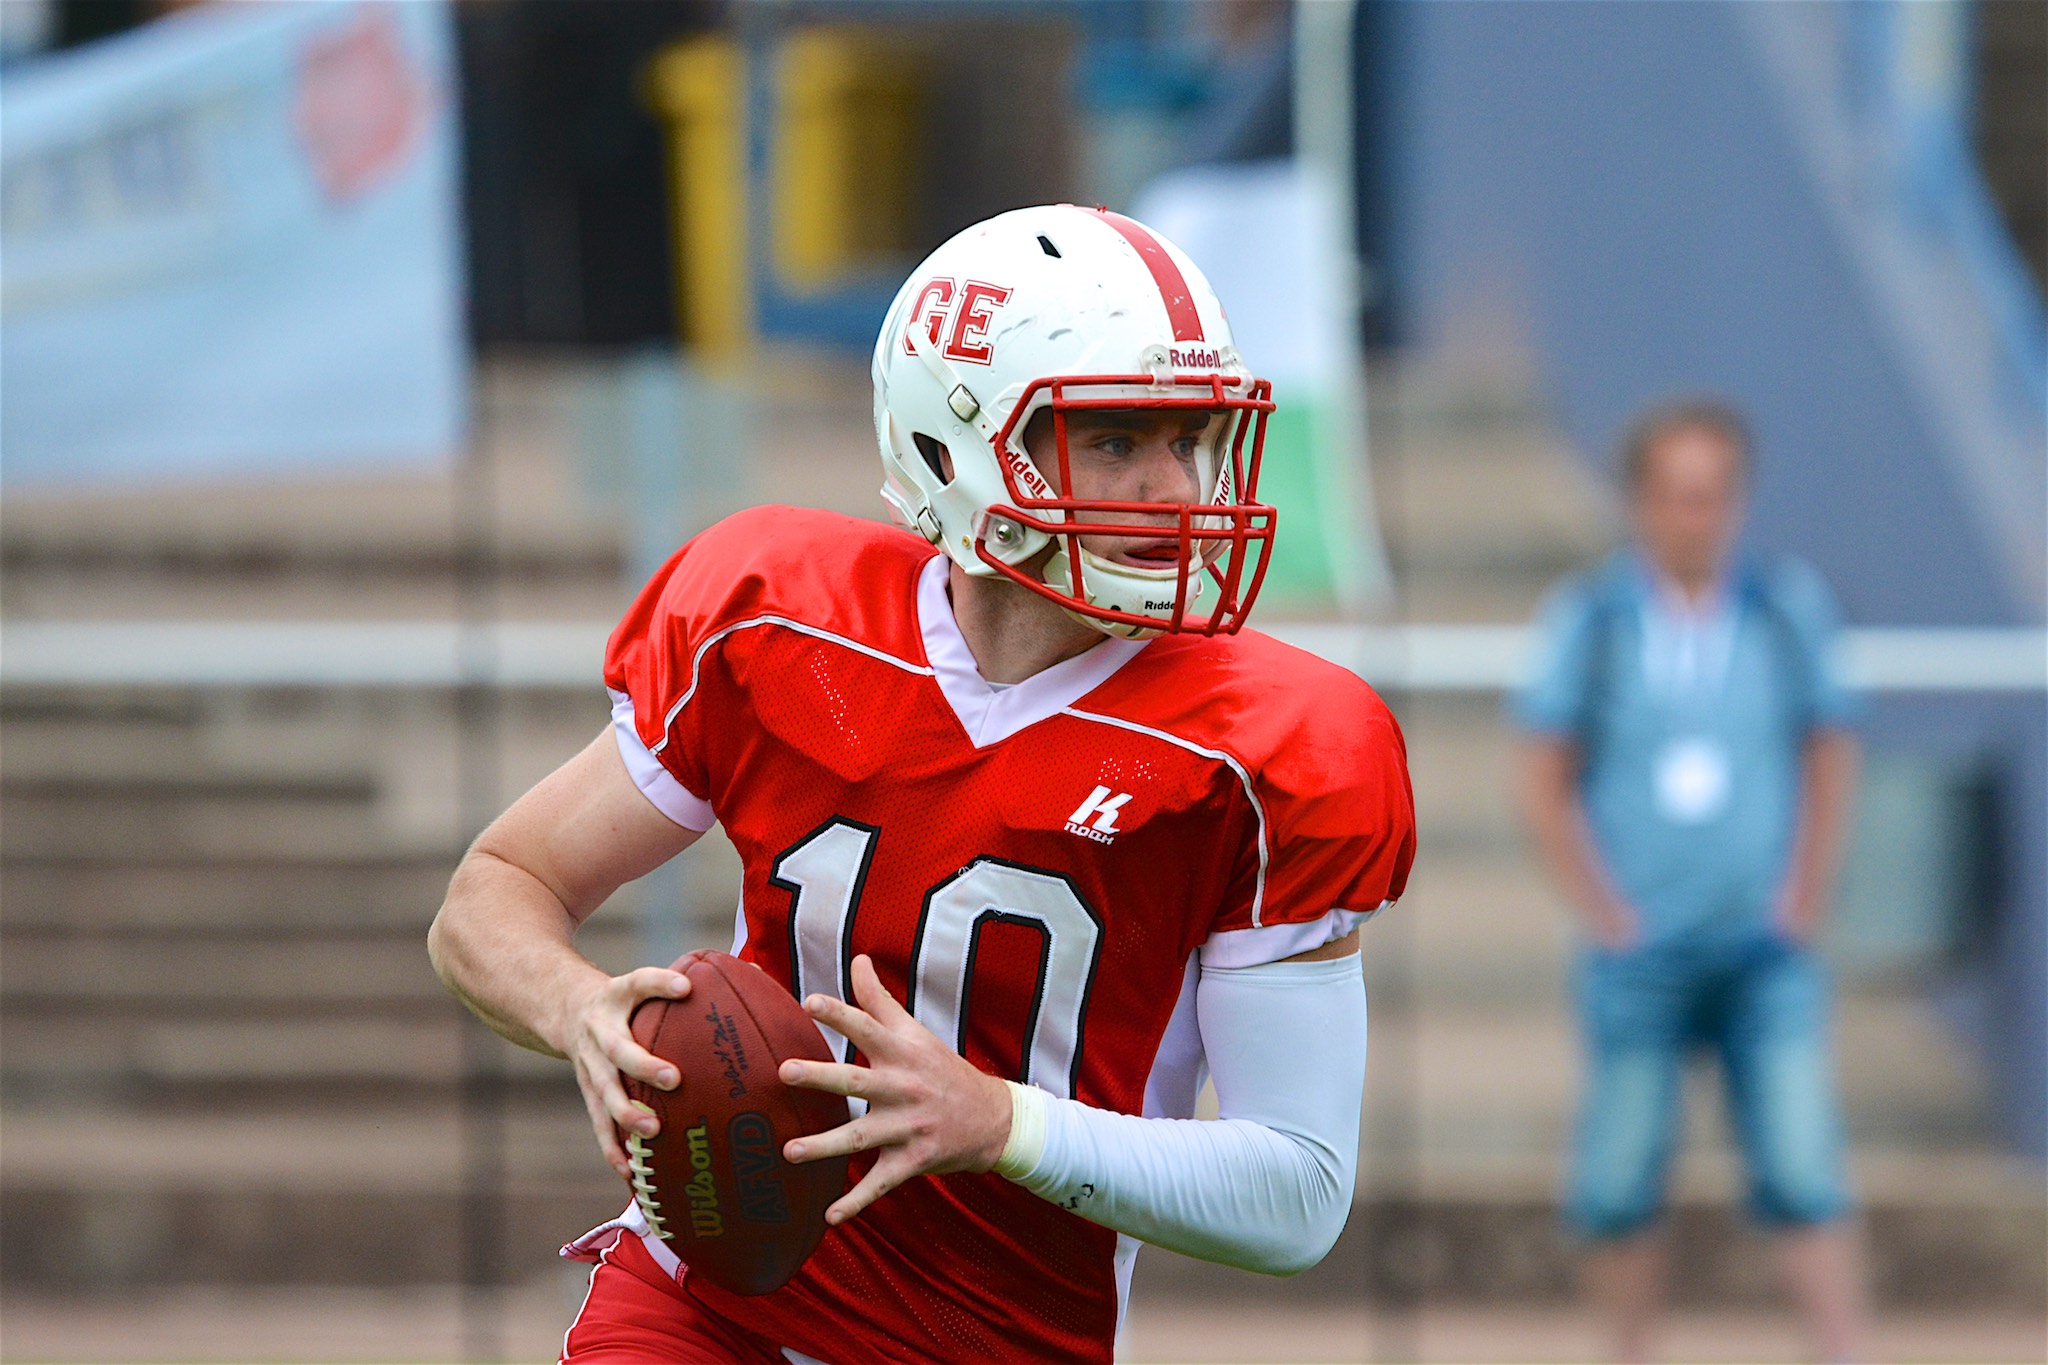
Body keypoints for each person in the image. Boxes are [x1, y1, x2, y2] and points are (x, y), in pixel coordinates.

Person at [428, 204, 1416, 1365]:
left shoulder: (1270, 748)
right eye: (1113, 442)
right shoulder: (780, 617)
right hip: (713, 1294)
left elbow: (1298, 1192)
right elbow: (494, 890)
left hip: (996, 1335)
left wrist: (1006, 1125)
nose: (1171, 490)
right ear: (959, 441)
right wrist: (576, 1010)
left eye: (1186, 438)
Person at [1513, 399, 1870, 1365]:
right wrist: (1604, 909)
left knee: (1806, 1168)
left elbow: (1831, 748)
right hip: (1640, 951)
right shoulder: (1590, 620)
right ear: (1640, 502)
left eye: (1713, 496)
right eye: (1677, 496)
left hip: (1765, 946)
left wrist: (1805, 892)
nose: (1695, 516)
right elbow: (1543, 773)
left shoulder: (1786, 609)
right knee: (1620, 1180)